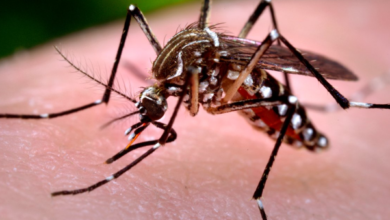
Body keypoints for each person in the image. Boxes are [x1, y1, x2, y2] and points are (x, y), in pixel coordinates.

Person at [1, 1, 389, 219]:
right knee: (135, 10)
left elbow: (187, 94)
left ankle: (340, 105)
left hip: (264, 98)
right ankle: (96, 99)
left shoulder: (187, 77)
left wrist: (149, 148)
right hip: (218, 79)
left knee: (270, 40)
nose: (150, 106)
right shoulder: (163, 72)